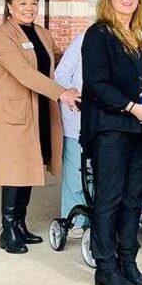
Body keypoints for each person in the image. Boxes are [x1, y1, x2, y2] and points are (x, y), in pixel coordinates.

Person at [0, 0, 80, 254]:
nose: (29, 8)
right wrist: (61, 92)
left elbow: (56, 65)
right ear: (10, 6)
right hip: (12, 110)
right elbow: (23, 73)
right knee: (15, 169)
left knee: (29, 165)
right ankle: (8, 230)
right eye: (22, 3)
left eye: (33, 3)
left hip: (37, 108)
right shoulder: (2, 36)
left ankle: (20, 225)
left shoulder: (41, 33)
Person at [81, 0, 142, 285]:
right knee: (109, 199)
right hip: (111, 128)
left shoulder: (139, 38)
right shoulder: (99, 34)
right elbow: (97, 84)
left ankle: (128, 259)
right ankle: (105, 265)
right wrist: (130, 106)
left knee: (133, 199)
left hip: (139, 129)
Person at [54, 31, 87, 238]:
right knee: (76, 172)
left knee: (96, 173)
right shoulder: (82, 40)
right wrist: (71, 92)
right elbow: (61, 75)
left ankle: (94, 218)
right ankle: (73, 220)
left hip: (106, 121)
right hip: (77, 116)